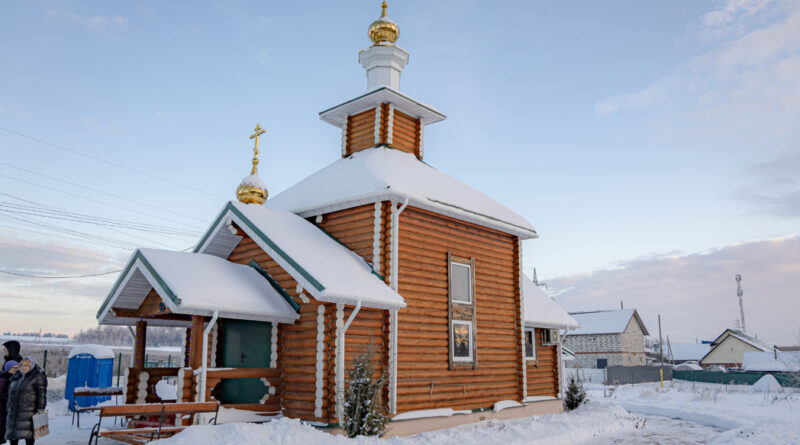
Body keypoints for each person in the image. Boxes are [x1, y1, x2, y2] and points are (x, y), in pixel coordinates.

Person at [5, 358, 46, 445]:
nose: (24, 367)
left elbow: (41, 395)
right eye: (22, 365)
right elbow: (10, 395)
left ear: (32, 366)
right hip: (14, 414)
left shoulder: (37, 377)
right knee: (13, 437)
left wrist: (40, 411)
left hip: (29, 413)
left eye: (27, 365)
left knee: (29, 437)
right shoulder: (16, 377)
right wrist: (8, 408)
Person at [0, 361, 19, 445]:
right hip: (2, 407)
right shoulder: (3, 379)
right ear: (8, 369)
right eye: (14, 368)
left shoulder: (16, 378)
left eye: (17, 367)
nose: (16, 369)